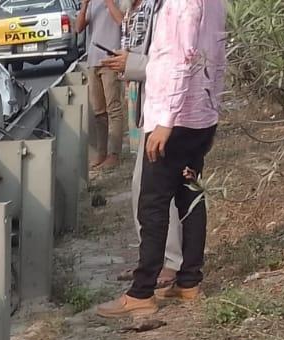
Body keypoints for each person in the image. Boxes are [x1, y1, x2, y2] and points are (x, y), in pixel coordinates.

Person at [97, 0, 226, 319]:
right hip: (201, 114)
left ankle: (141, 292)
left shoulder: (181, 3)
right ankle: (189, 282)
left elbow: (181, 60)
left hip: (175, 118)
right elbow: (217, 56)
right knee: (189, 196)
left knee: (152, 204)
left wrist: (165, 121)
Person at [103, 0, 180, 292]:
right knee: (143, 188)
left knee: (159, 190)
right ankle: (152, 258)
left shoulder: (173, 8)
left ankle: (169, 262)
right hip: (154, 107)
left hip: (169, 113)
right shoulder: (151, 7)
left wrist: (132, 63)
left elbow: (179, 63)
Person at [78, 0, 128, 171]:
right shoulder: (92, 4)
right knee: (99, 112)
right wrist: (84, 5)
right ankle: (101, 152)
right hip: (93, 60)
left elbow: (122, 21)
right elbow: (78, 28)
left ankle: (114, 154)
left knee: (113, 108)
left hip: (111, 59)